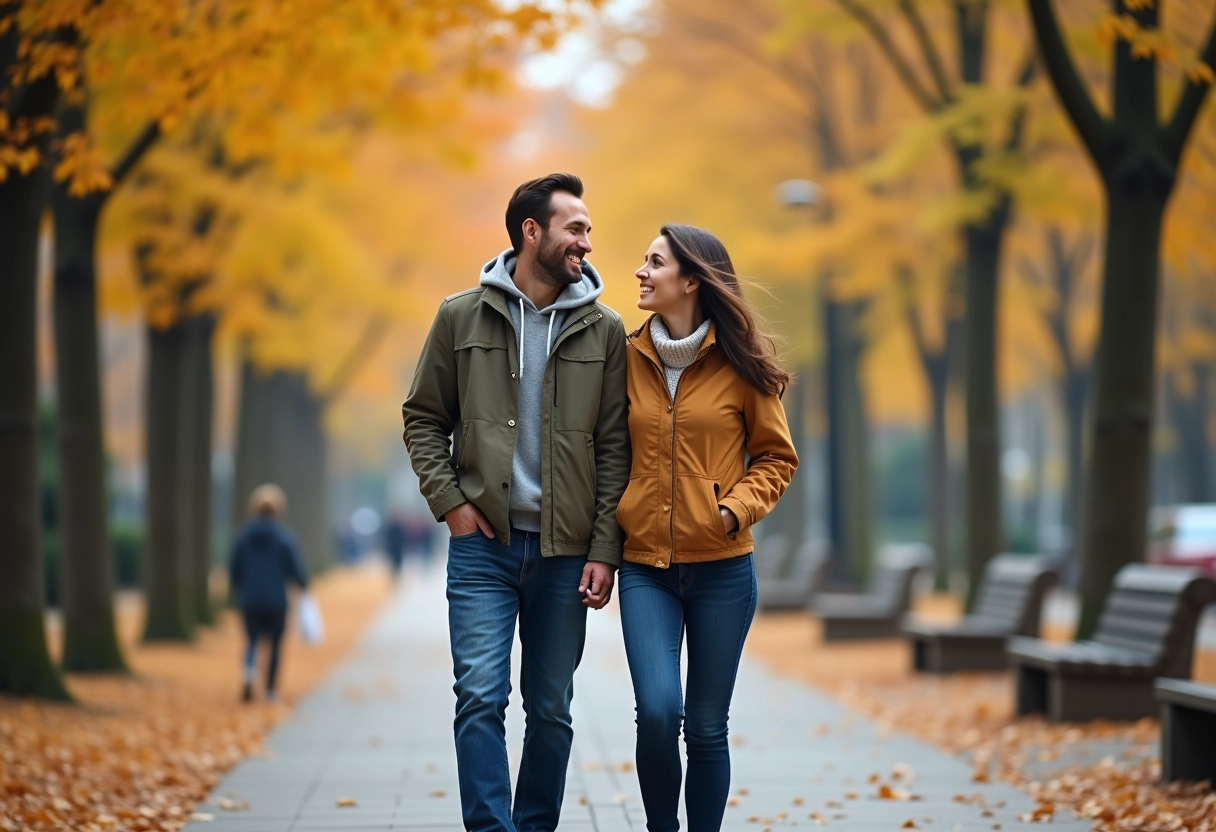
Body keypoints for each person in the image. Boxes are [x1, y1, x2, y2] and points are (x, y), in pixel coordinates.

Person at [402, 173, 630, 832]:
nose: (587, 240)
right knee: (479, 697)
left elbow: (616, 447)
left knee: (552, 707)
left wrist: (604, 550)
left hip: (566, 553)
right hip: (484, 549)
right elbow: (422, 416)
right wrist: (450, 503)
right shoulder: (460, 316)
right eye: (576, 227)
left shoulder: (605, 330)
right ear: (533, 231)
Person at [617, 225, 798, 832]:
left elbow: (777, 458)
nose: (641, 272)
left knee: (705, 725)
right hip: (645, 569)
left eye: (655, 262)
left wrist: (731, 510)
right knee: (659, 712)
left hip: (723, 570)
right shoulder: (624, 357)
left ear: (691, 280)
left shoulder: (740, 363)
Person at [228, 483, 309, 704]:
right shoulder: (285, 537)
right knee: (275, 644)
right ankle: (271, 690)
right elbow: (295, 569)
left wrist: (237, 589)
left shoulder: (243, 536)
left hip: (250, 599)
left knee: (252, 640)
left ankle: (249, 672)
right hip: (276, 601)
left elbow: (234, 568)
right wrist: (303, 585)